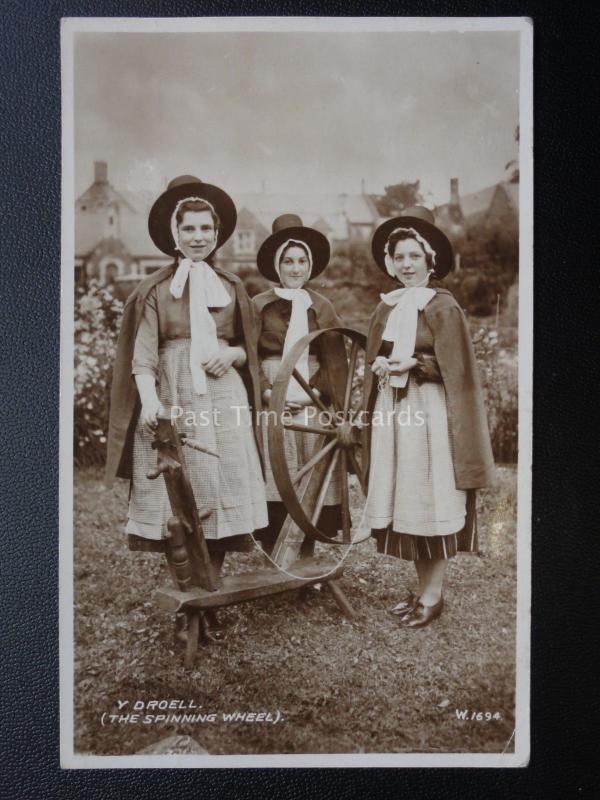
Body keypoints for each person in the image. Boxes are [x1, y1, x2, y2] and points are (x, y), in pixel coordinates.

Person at [105, 175, 268, 599]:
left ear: (217, 235)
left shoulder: (232, 287)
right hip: (173, 391)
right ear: (175, 235)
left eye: (205, 229)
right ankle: (188, 586)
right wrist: (150, 403)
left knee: (219, 478)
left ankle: (210, 584)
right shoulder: (156, 289)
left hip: (222, 392)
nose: (198, 237)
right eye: (189, 229)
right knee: (176, 491)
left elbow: (245, 347)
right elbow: (143, 356)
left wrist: (230, 355)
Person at [361, 207, 495, 628]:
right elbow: (377, 356)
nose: (406, 265)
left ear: (430, 259)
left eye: (413, 256)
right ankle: (423, 591)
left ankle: (433, 596)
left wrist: (414, 365)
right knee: (409, 498)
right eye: (399, 257)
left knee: (432, 495)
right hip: (395, 412)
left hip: (431, 413)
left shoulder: (443, 306)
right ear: (390, 262)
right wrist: (383, 367)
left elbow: (457, 369)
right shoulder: (387, 306)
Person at [252, 214, 346, 557]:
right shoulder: (258, 306)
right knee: (275, 477)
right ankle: (273, 558)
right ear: (277, 265)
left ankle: (306, 559)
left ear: (311, 264)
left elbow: (336, 360)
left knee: (311, 480)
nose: (295, 268)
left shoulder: (322, 307)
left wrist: (316, 394)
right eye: (288, 261)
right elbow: (248, 355)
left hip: (312, 404)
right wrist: (268, 392)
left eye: (301, 260)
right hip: (270, 401)